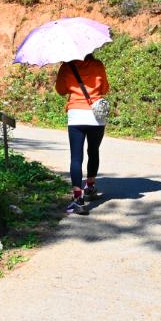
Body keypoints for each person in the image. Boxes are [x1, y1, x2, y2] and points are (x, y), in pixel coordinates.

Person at [55, 53, 109, 215]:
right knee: (93, 151)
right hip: (96, 115)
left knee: (76, 157)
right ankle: (90, 188)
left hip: (76, 115)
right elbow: (105, 88)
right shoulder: (98, 65)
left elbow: (60, 90)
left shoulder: (66, 66)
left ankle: (78, 199)